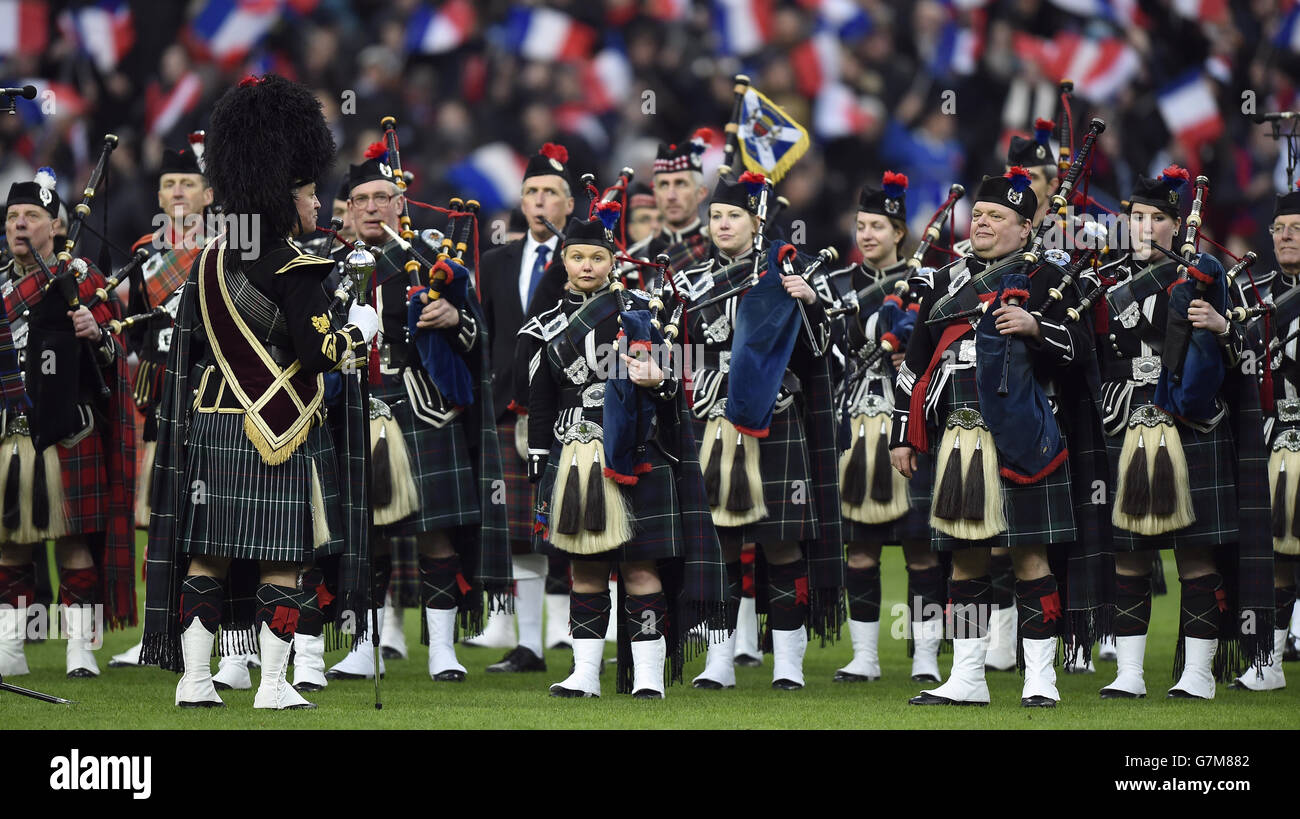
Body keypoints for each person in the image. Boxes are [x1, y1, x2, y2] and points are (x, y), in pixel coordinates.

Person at [140, 74, 378, 709]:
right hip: (274, 427)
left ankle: (195, 682)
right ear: (282, 195)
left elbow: (189, 349)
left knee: (208, 555)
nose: (317, 205)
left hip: (213, 421)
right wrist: (361, 335)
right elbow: (319, 354)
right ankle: (272, 687)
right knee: (282, 558)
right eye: (308, 193)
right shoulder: (299, 267)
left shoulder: (211, 260)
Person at [890, 168, 1110, 707]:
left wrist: (1036, 328)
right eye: (980, 215)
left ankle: (1040, 679)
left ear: (1024, 228)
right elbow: (912, 366)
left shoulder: (1047, 279)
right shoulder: (945, 282)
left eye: (998, 217)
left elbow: (1084, 352)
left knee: (1029, 555)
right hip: (959, 436)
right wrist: (902, 433)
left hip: (1025, 433)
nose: (983, 223)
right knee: (965, 559)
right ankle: (967, 678)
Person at [314, 139, 512, 685]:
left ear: (401, 203)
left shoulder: (431, 262)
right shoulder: (323, 267)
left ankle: (443, 650)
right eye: (362, 199)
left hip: (423, 412)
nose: (373, 207)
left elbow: (476, 338)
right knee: (363, 535)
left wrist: (453, 318)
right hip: (352, 409)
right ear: (348, 208)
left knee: (436, 533)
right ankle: (363, 646)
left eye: (383, 197)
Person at [1086, 166, 1274, 699]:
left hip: (1193, 423)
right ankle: (1129, 673)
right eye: (1136, 217)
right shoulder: (1103, 282)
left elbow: (1255, 348)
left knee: (1196, 551)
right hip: (1126, 421)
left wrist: (1222, 327)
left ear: (1177, 225)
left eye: (1155, 219)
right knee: (1129, 551)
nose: (1143, 227)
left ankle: (1197, 675)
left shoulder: (1212, 275)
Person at [521, 207, 725, 698]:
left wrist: (661, 378)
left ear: (613, 261)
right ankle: (585, 675)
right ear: (563, 262)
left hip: (634, 452)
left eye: (597, 257)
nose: (587, 266)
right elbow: (540, 401)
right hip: (572, 457)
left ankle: (650, 678)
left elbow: (675, 383)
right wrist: (538, 457)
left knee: (640, 565)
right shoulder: (542, 325)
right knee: (585, 566)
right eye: (577, 257)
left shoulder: (641, 312)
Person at [677, 172, 844, 691]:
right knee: (718, 545)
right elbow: (673, 349)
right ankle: (718, 664)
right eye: (716, 216)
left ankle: (789, 666)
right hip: (712, 422)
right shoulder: (689, 280)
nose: (723, 224)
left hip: (777, 419)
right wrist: (694, 383)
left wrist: (811, 302)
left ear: (757, 222)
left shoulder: (789, 271)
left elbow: (824, 354)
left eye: (734, 216)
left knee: (782, 543)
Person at [0, 168, 136, 680]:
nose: (18, 225)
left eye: (31, 216)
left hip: (69, 429)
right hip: (10, 431)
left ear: (55, 226)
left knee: (75, 539)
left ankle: (81, 649)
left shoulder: (82, 278)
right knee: (11, 540)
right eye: (12, 216)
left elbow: (115, 351)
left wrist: (94, 333)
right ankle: (9, 649)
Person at [822, 171, 946, 684]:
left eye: (878, 226)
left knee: (920, 547)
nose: (867, 234)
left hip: (907, 427)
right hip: (854, 427)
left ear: (900, 232)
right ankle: (866, 658)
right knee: (862, 547)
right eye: (861, 225)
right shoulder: (836, 287)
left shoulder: (926, 284)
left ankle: (924, 658)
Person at [110, 134, 220, 673]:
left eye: (188, 183)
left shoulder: (226, 250)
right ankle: (158, 632)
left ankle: (213, 633)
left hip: (215, 400)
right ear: (157, 196)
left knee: (213, 519)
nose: (178, 192)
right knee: (159, 518)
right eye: (169, 184)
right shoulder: (140, 257)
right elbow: (128, 339)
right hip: (160, 406)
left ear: (208, 194)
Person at [474, 143, 576, 672]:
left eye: (550, 193)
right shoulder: (495, 262)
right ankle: (530, 647)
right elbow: (485, 336)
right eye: (532, 192)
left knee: (579, 526)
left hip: (568, 410)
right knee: (522, 538)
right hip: (508, 410)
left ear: (569, 205)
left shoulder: (584, 258)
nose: (539, 201)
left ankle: (588, 647)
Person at [646, 132, 713, 270]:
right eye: (663, 185)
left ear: (701, 193)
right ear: (655, 195)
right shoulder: (636, 257)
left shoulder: (716, 251)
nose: (671, 196)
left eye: (680, 183)